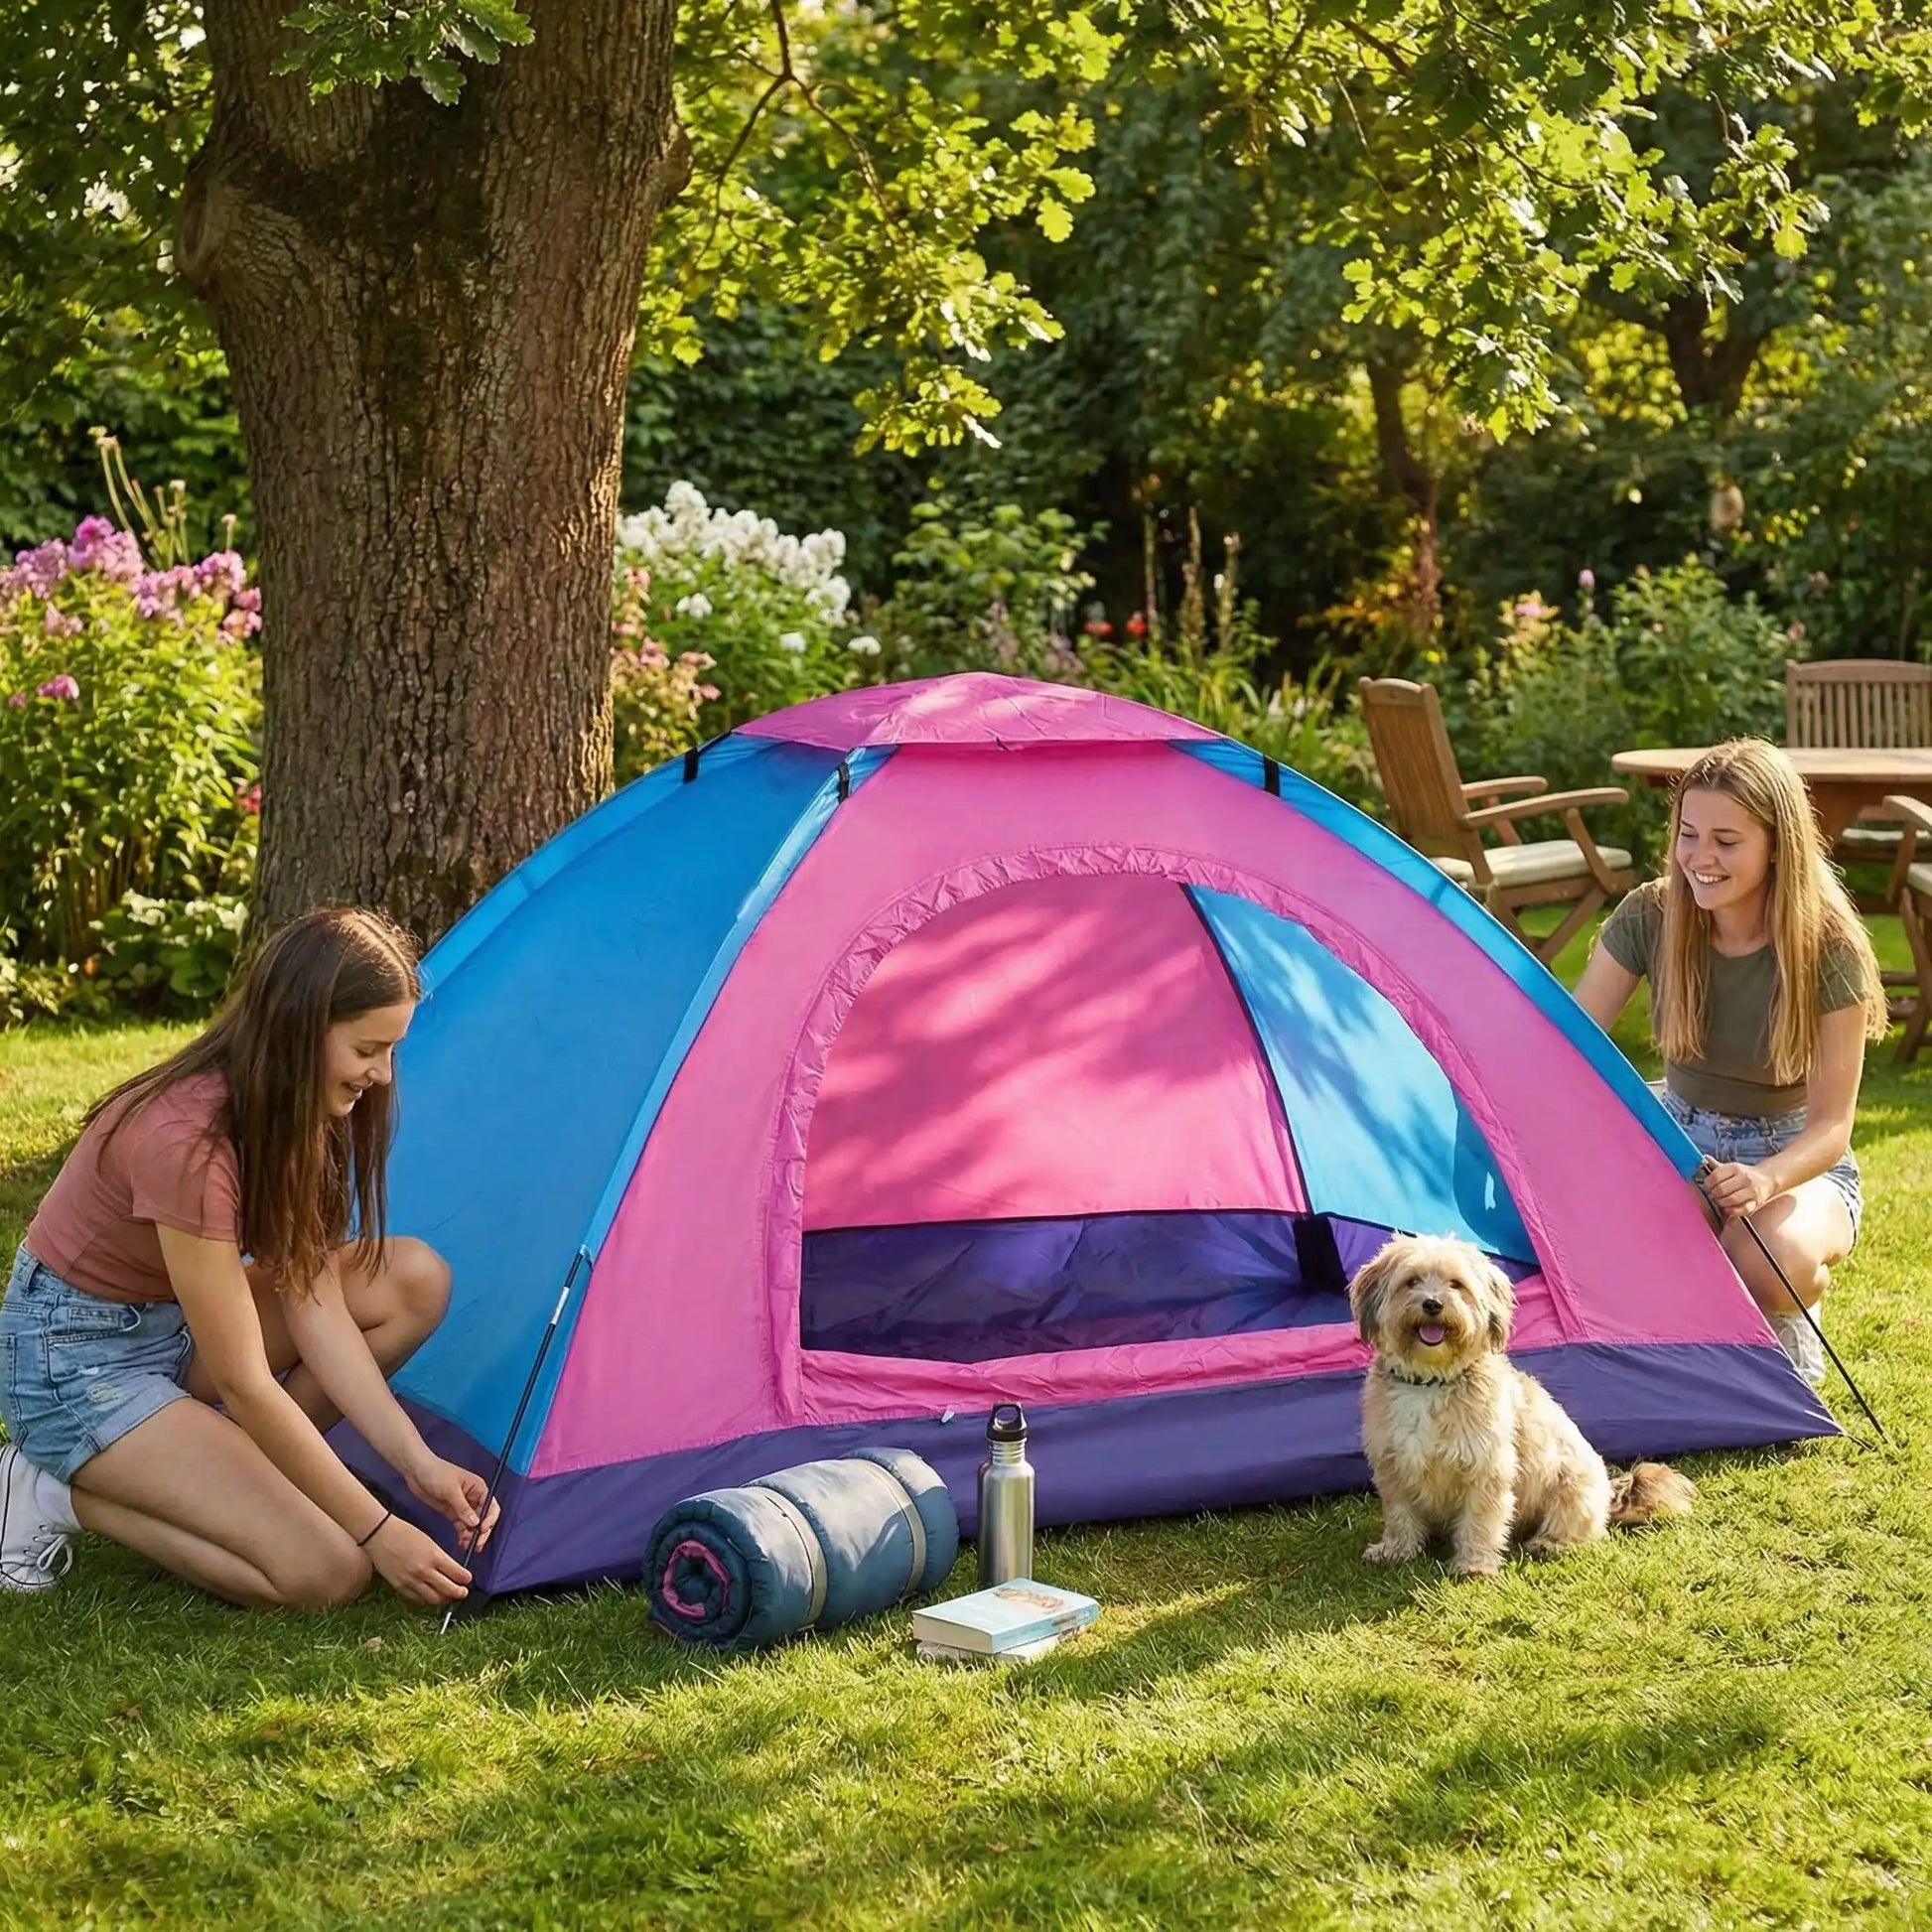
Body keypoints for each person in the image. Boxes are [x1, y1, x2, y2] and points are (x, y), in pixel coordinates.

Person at [0, 906, 496, 1602]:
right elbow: (244, 1381)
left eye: (391, 1050)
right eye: (366, 1049)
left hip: (172, 1329)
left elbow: (314, 1300)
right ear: (300, 1030)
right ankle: (44, 1490)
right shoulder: (188, 1142)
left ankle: (238, 1481)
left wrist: (419, 1464)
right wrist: (377, 1529)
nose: (382, 1075)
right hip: (75, 1362)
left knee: (411, 1280)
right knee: (328, 1572)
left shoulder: (297, 1109)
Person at [1573, 739, 1888, 1386]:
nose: (1701, 858)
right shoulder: (1653, 914)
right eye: (1689, 835)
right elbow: (1568, 1040)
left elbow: (1831, 1129)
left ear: (1777, 844)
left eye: (1726, 840)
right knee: (1628, 1254)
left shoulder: (1828, 946)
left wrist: (1767, 1180)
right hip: (1679, 1133)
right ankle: (1717, 1314)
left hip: (1790, 1156)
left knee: (1762, 1263)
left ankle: (1790, 1305)